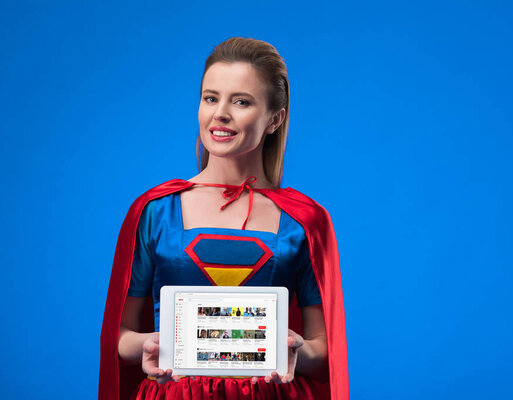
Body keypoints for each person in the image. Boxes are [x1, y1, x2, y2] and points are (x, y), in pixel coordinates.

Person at [99, 37, 349, 399]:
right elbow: (120, 338)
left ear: (274, 119)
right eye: (211, 98)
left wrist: (293, 348)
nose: (220, 114)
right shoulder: (156, 211)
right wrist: (153, 345)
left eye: (242, 101)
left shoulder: (304, 220)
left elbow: (325, 351)